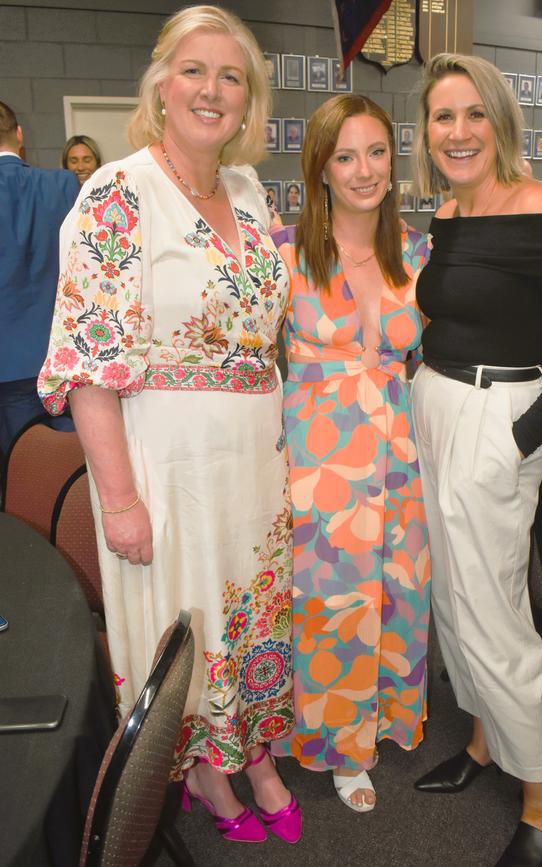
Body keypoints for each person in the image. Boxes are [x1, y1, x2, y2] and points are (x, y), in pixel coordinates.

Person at [38, 5, 301, 845]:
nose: (211, 89)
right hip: (167, 461)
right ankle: (204, 770)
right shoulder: (117, 191)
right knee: (185, 624)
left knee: (251, 613)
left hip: (252, 463)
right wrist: (118, 499)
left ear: (250, 99)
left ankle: (252, 749)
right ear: (160, 82)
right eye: (195, 69)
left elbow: (270, 338)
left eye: (232, 76)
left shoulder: (251, 191)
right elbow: (86, 362)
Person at [410, 53, 542, 866]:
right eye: (442, 117)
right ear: (426, 133)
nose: (457, 133)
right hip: (437, 403)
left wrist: (520, 437)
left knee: (493, 609)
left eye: (472, 115)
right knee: (452, 601)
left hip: (500, 412)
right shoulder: (450, 213)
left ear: (501, 121)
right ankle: (487, 737)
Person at [271, 94, 431, 812]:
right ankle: (340, 749)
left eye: (375, 151)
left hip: (398, 455)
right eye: (345, 156)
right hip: (320, 459)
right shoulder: (284, 251)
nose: (363, 169)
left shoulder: (421, 252)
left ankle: (385, 719)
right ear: (321, 169)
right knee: (331, 604)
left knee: (395, 592)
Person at [0, 101, 78, 457]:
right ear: (19, 134)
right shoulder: (63, 186)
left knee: (18, 475)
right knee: (76, 464)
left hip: (7, 368)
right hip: (64, 355)